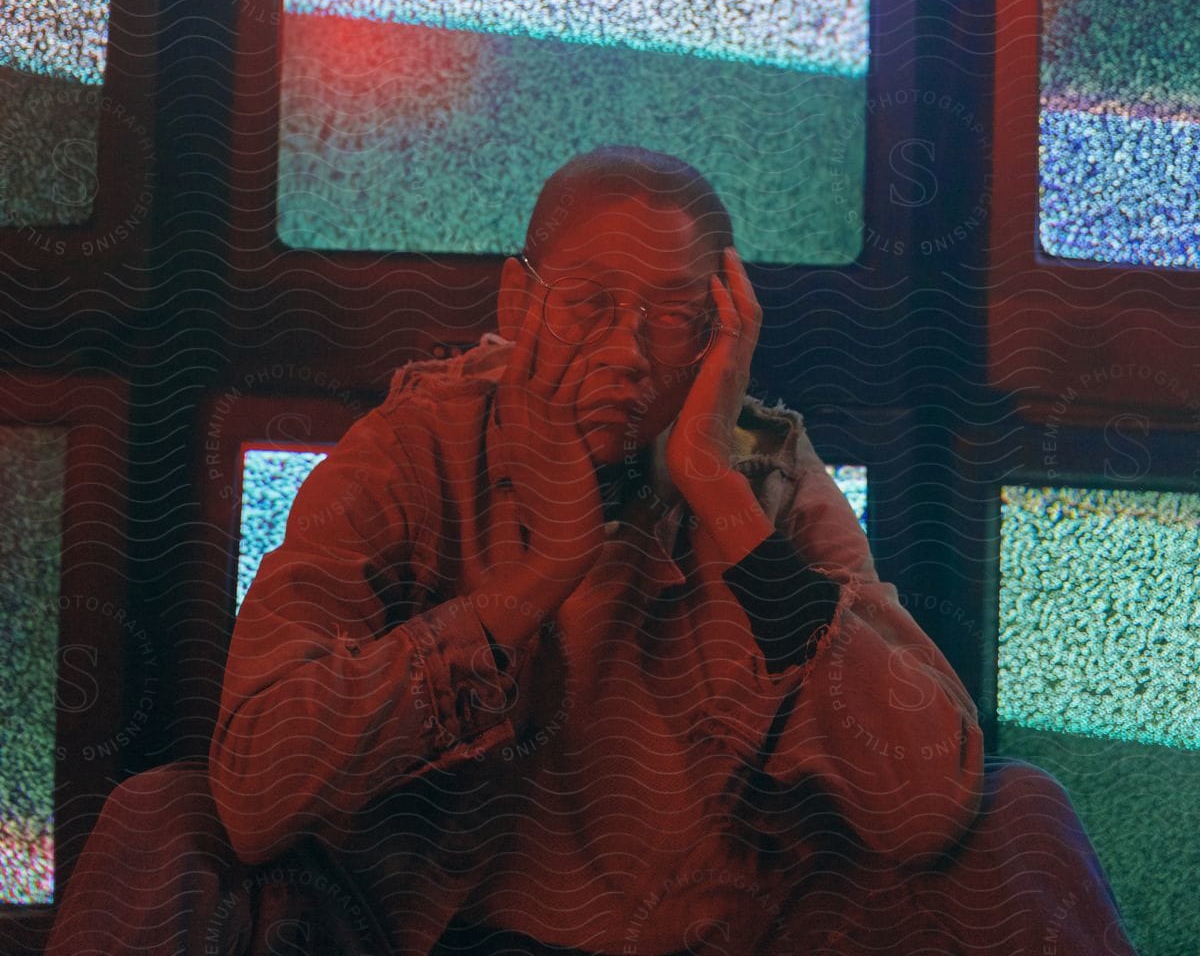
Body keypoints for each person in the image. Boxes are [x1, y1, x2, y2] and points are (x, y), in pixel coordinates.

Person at [47, 147, 1139, 955]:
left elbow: (929, 803)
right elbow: (255, 791)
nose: (627, 352)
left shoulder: (759, 469)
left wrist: (719, 496)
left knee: (1023, 812)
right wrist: (532, 583)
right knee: (164, 822)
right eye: (591, 305)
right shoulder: (412, 447)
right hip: (423, 926)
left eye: (673, 318)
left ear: (723, 332)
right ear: (519, 299)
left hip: (723, 928)